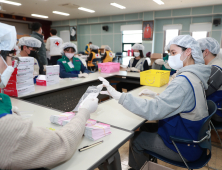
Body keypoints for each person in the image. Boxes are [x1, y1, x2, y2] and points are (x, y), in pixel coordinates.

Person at [99, 35, 211, 170]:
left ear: (188, 52)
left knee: (137, 140)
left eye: (173, 52)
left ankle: (140, 168)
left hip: (184, 146)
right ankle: (148, 164)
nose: (170, 56)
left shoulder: (183, 81)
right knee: (146, 128)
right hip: (194, 139)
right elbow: (181, 100)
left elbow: (153, 110)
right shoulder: (195, 76)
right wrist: (157, 95)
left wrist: (120, 96)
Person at [0, 23, 99, 170]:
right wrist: (84, 111)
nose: (12, 63)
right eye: (9, 57)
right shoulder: (5, 126)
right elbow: (61, 144)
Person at [197, 37, 222, 122]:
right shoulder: (210, 65)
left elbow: (203, 91)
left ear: (206, 52)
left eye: (197, 51)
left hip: (216, 112)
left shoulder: (217, 68)